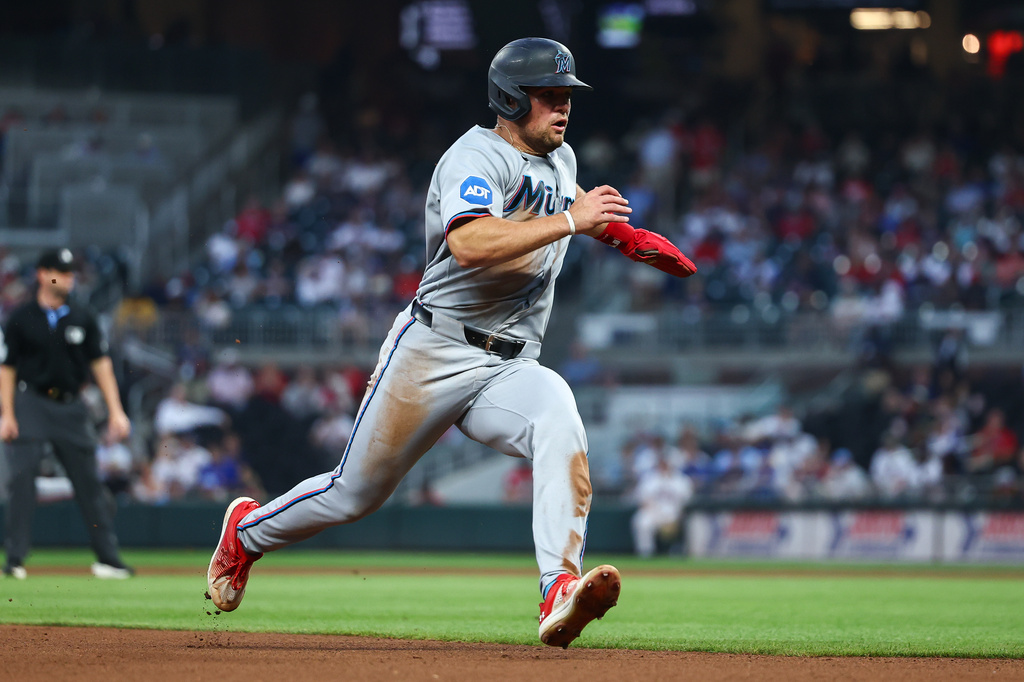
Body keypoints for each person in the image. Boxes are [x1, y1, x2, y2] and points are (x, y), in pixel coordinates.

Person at [207, 37, 695, 648]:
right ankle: (246, 534)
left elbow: (563, 200)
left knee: (560, 420)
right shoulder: (473, 157)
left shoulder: (561, 159)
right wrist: (574, 221)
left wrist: (623, 235)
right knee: (352, 495)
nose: (563, 108)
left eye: (567, 96)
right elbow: (471, 241)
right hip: (434, 350)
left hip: (510, 366)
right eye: (548, 96)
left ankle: (558, 587)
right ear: (512, 98)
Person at [0, 248, 134, 579]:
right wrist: (7, 414)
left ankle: (108, 558)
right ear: (43, 274)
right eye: (62, 271)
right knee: (22, 477)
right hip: (30, 401)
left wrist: (116, 410)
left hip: (73, 405)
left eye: (72, 272)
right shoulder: (20, 317)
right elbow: (7, 369)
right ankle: (15, 559)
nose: (70, 277)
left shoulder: (83, 316)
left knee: (89, 482)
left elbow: (101, 365)